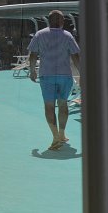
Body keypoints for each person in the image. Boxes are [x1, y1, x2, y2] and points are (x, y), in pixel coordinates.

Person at [27, 10, 80, 151]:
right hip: (64, 76)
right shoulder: (67, 36)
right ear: (61, 21)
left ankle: (55, 136)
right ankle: (62, 134)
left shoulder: (40, 34)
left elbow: (33, 54)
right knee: (63, 105)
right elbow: (75, 56)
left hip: (47, 75)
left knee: (49, 106)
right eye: (63, 19)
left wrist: (32, 71)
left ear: (49, 21)